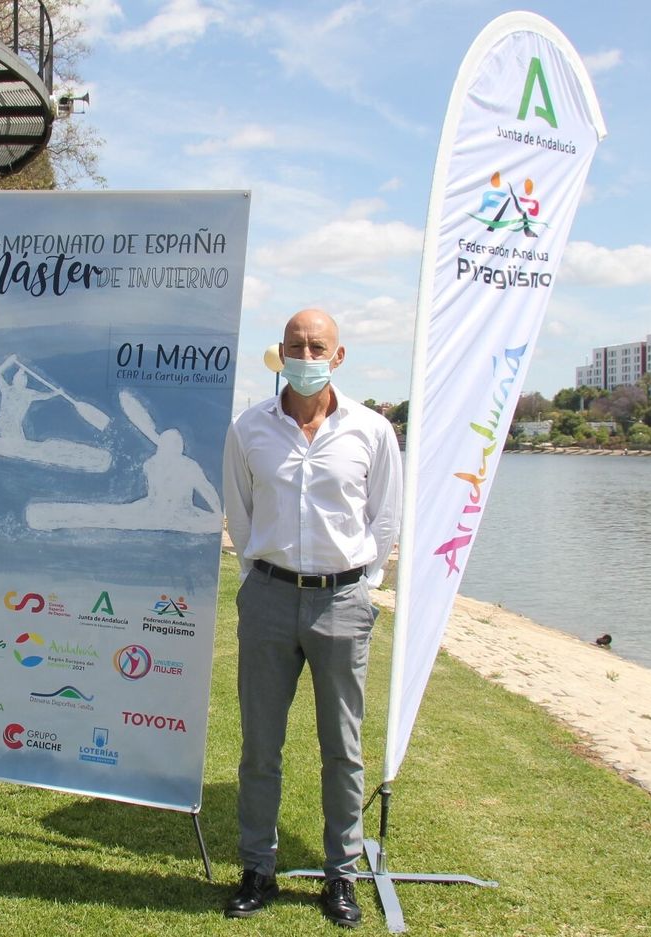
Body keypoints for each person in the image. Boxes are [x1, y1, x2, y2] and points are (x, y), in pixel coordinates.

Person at [219, 308, 402, 927]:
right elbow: (240, 512)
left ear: (338, 356)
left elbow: (384, 518)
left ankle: (341, 875)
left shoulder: (372, 431)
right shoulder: (249, 428)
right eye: (296, 346)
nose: (306, 356)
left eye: (317, 346)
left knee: (343, 749)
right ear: (281, 351)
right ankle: (257, 868)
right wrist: (257, 578)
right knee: (259, 745)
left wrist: (364, 585)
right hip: (269, 599)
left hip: (342, 603)